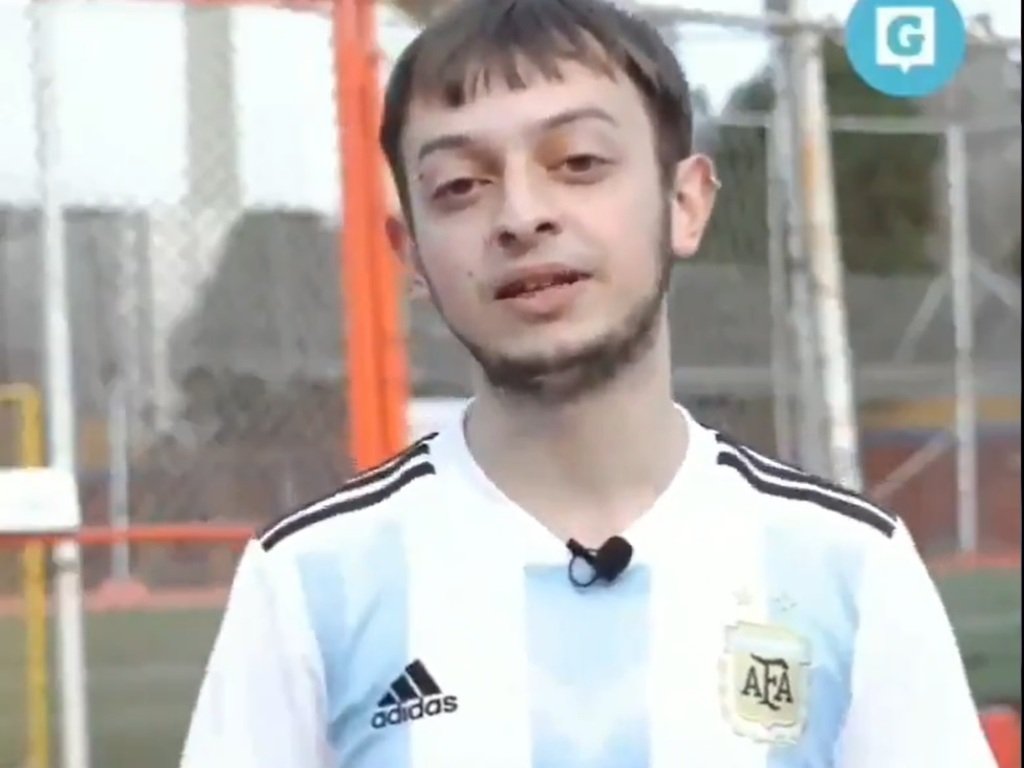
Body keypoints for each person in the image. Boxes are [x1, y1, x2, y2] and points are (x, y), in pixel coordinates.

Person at [180, 0, 997, 766]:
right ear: (413, 254)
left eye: (578, 162)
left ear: (686, 203)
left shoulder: (851, 566)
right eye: (460, 185)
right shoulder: (309, 578)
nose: (521, 216)